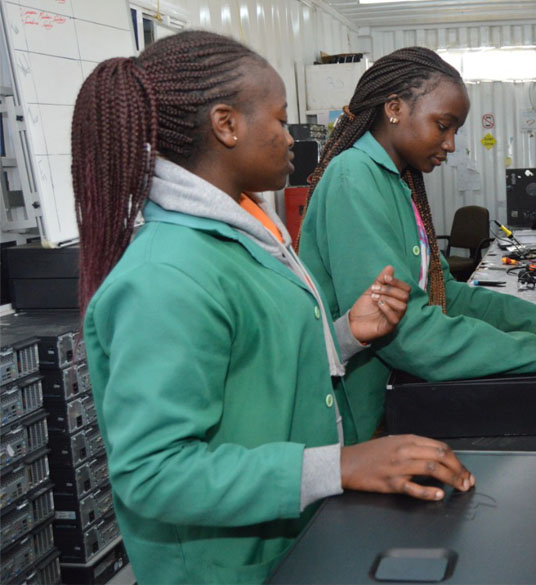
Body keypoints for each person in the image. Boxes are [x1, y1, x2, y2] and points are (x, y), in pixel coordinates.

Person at [71, 31, 474, 585]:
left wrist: (347, 334)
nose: (293, 139)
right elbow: (153, 473)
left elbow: (254, 370)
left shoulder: (246, 237)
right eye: (282, 121)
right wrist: (338, 465)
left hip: (290, 541)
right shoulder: (164, 275)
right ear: (226, 124)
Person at [296, 47, 536, 445]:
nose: (451, 143)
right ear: (394, 108)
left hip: (386, 401)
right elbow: (405, 329)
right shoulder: (354, 178)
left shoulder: (396, 182)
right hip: (352, 420)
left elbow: (445, 295)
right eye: (443, 125)